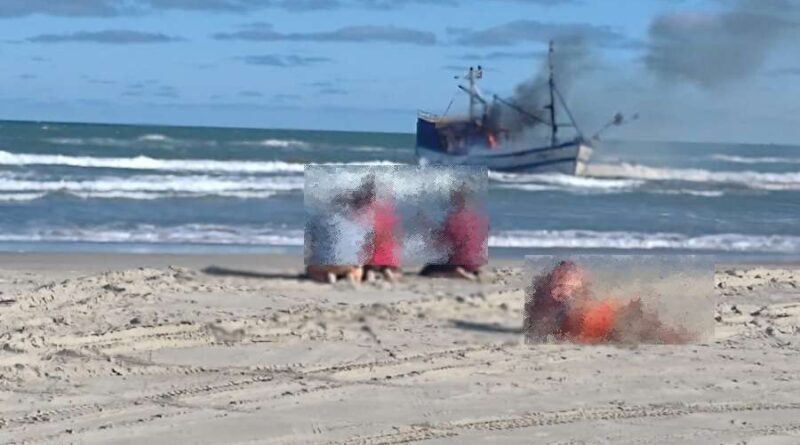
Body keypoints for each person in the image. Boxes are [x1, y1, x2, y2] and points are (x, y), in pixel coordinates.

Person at [524, 261, 691, 344]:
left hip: (605, 318)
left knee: (643, 326)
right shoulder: (545, 303)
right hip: (583, 319)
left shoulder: (595, 312)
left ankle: (682, 337)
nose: (558, 293)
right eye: (558, 287)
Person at [420, 184, 488, 280]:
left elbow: (439, 242)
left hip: (459, 262)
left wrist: (426, 226)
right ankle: (474, 271)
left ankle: (456, 273)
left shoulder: (453, 219)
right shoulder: (477, 218)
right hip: (475, 262)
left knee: (427, 270)